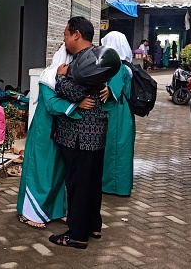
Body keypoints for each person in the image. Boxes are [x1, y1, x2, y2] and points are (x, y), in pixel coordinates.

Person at [48, 16, 113, 249]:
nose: (64, 39)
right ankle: (93, 225)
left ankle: (76, 234)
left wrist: (59, 77)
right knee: (92, 182)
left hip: (78, 135)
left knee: (77, 184)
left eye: (66, 34)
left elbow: (76, 93)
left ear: (76, 34)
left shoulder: (83, 61)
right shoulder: (100, 55)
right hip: (96, 133)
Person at [16, 44, 95, 229]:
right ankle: (29, 213)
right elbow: (51, 104)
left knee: (58, 171)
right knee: (40, 171)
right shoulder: (48, 77)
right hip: (44, 132)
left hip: (62, 131)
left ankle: (55, 211)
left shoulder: (72, 80)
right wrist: (77, 105)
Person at [100, 31, 136, 196]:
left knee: (113, 151)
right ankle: (121, 185)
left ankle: (112, 186)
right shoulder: (127, 66)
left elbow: (109, 92)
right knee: (122, 151)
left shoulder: (117, 68)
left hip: (116, 115)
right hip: (124, 114)